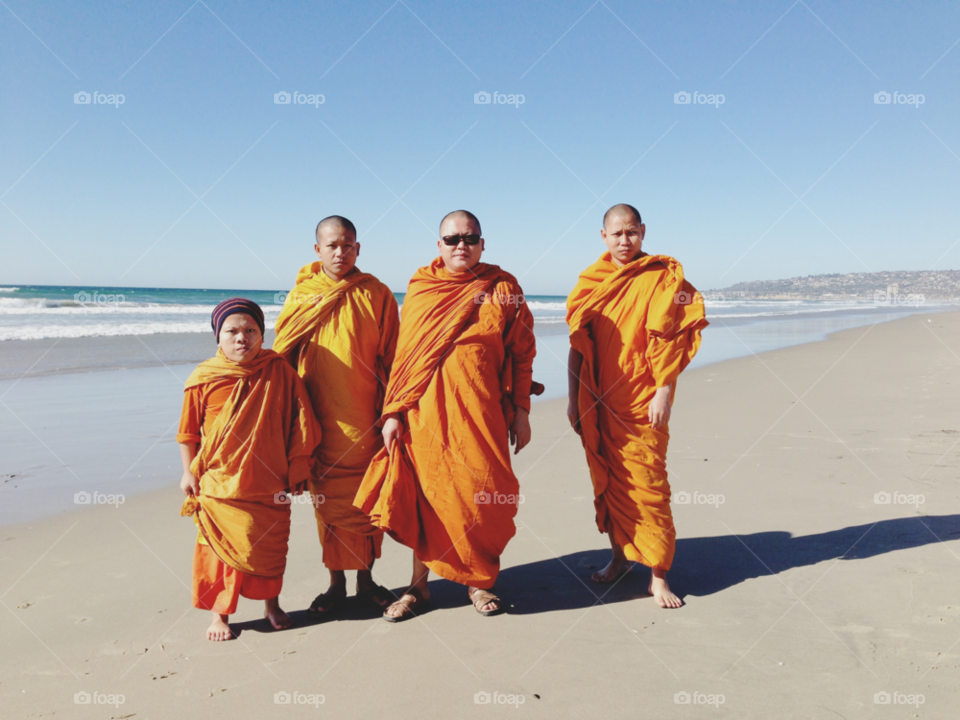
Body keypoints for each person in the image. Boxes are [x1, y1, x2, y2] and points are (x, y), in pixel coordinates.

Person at [356, 209, 537, 621]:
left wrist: (522, 410)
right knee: (428, 499)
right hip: (425, 416)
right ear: (439, 245)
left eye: (470, 238)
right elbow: (406, 357)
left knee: (482, 496)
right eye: (452, 239)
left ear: (482, 243)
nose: (461, 245)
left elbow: (522, 352)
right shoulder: (423, 287)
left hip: (482, 413)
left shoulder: (503, 287)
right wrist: (392, 413)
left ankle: (479, 582)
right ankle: (418, 589)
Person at [566, 204, 708, 608]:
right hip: (597, 400)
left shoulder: (663, 278)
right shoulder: (591, 282)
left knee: (649, 485)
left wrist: (664, 389)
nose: (624, 241)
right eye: (617, 234)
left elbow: (674, 337)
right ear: (603, 236)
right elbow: (578, 346)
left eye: (632, 232)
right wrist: (574, 400)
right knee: (610, 481)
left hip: (643, 401)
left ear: (643, 231)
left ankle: (658, 575)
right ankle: (618, 558)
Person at [273, 215, 400, 615]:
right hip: (318, 420)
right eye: (332, 246)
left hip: (366, 418)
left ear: (358, 249)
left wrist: (393, 411)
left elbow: (393, 357)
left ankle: (366, 581)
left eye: (347, 245)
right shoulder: (303, 296)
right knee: (326, 505)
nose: (340, 252)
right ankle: (336, 584)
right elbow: (282, 360)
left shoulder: (376, 293)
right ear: (318, 250)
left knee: (367, 502)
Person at [178, 298, 321, 640]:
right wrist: (188, 472)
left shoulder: (279, 372)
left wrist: (298, 464)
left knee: (268, 545)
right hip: (218, 483)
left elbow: (300, 422)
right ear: (218, 337)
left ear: (262, 335)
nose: (241, 338)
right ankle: (220, 615)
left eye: (250, 330)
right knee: (216, 550)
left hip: (269, 479)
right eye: (232, 331)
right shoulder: (202, 377)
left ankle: (271, 605)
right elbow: (188, 432)